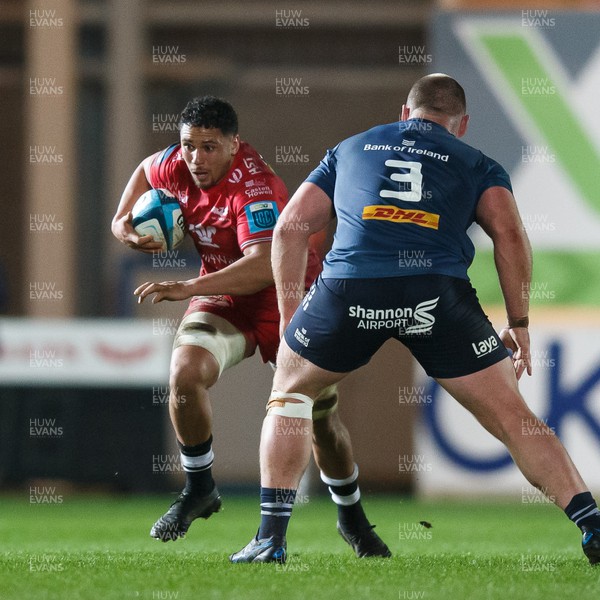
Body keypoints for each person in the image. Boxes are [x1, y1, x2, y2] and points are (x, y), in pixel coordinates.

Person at [230, 74, 600, 565]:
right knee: (515, 418)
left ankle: (270, 539)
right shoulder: (477, 163)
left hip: (350, 289)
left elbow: (291, 228)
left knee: (292, 393)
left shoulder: (352, 146)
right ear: (461, 125)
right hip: (436, 294)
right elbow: (510, 236)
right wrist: (520, 321)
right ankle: (591, 524)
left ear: (405, 113)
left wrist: (290, 316)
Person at [111, 96, 390, 559]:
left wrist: (187, 287)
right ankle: (200, 488)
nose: (196, 159)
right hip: (224, 294)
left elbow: (263, 265)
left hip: (289, 295)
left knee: (320, 419)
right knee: (184, 374)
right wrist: (122, 225)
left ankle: (352, 518)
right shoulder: (175, 165)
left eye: (209, 147)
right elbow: (145, 169)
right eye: (189, 146)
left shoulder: (255, 188)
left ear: (233, 144)